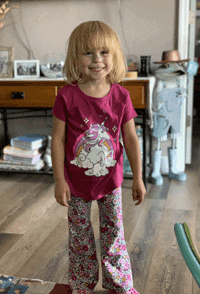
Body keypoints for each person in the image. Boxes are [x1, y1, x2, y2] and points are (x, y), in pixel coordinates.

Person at [51, 21, 146, 294]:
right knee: (79, 236)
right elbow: (57, 140)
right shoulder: (66, 96)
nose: (97, 60)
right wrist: (60, 180)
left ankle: (119, 284)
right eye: (88, 53)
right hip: (76, 184)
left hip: (111, 183)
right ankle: (81, 284)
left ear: (114, 56)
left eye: (104, 52)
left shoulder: (121, 96)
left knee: (114, 234)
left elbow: (130, 139)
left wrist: (137, 178)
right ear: (75, 58)